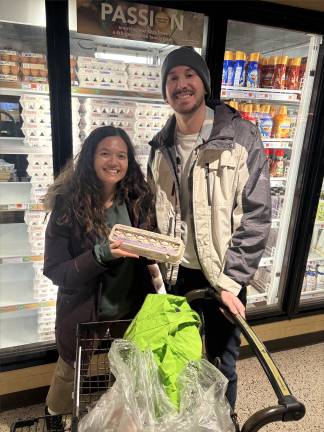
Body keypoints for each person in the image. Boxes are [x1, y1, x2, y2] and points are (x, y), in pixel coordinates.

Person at [147, 46, 271, 416]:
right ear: (165, 89)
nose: (181, 84)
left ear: (204, 83)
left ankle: (219, 423)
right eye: (172, 78)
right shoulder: (160, 145)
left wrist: (233, 281)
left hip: (223, 275)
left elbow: (257, 214)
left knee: (221, 364)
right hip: (176, 273)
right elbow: (156, 212)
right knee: (180, 359)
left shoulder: (241, 136)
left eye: (189, 75)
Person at [43, 126, 161, 430]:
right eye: (105, 153)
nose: (114, 161)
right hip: (83, 310)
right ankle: (54, 416)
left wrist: (159, 249)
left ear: (129, 161)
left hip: (130, 307)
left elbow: (150, 247)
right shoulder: (68, 205)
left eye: (121, 155)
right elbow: (56, 270)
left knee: (126, 371)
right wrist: (100, 255)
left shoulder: (137, 198)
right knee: (70, 370)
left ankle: (111, 419)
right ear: (91, 158)